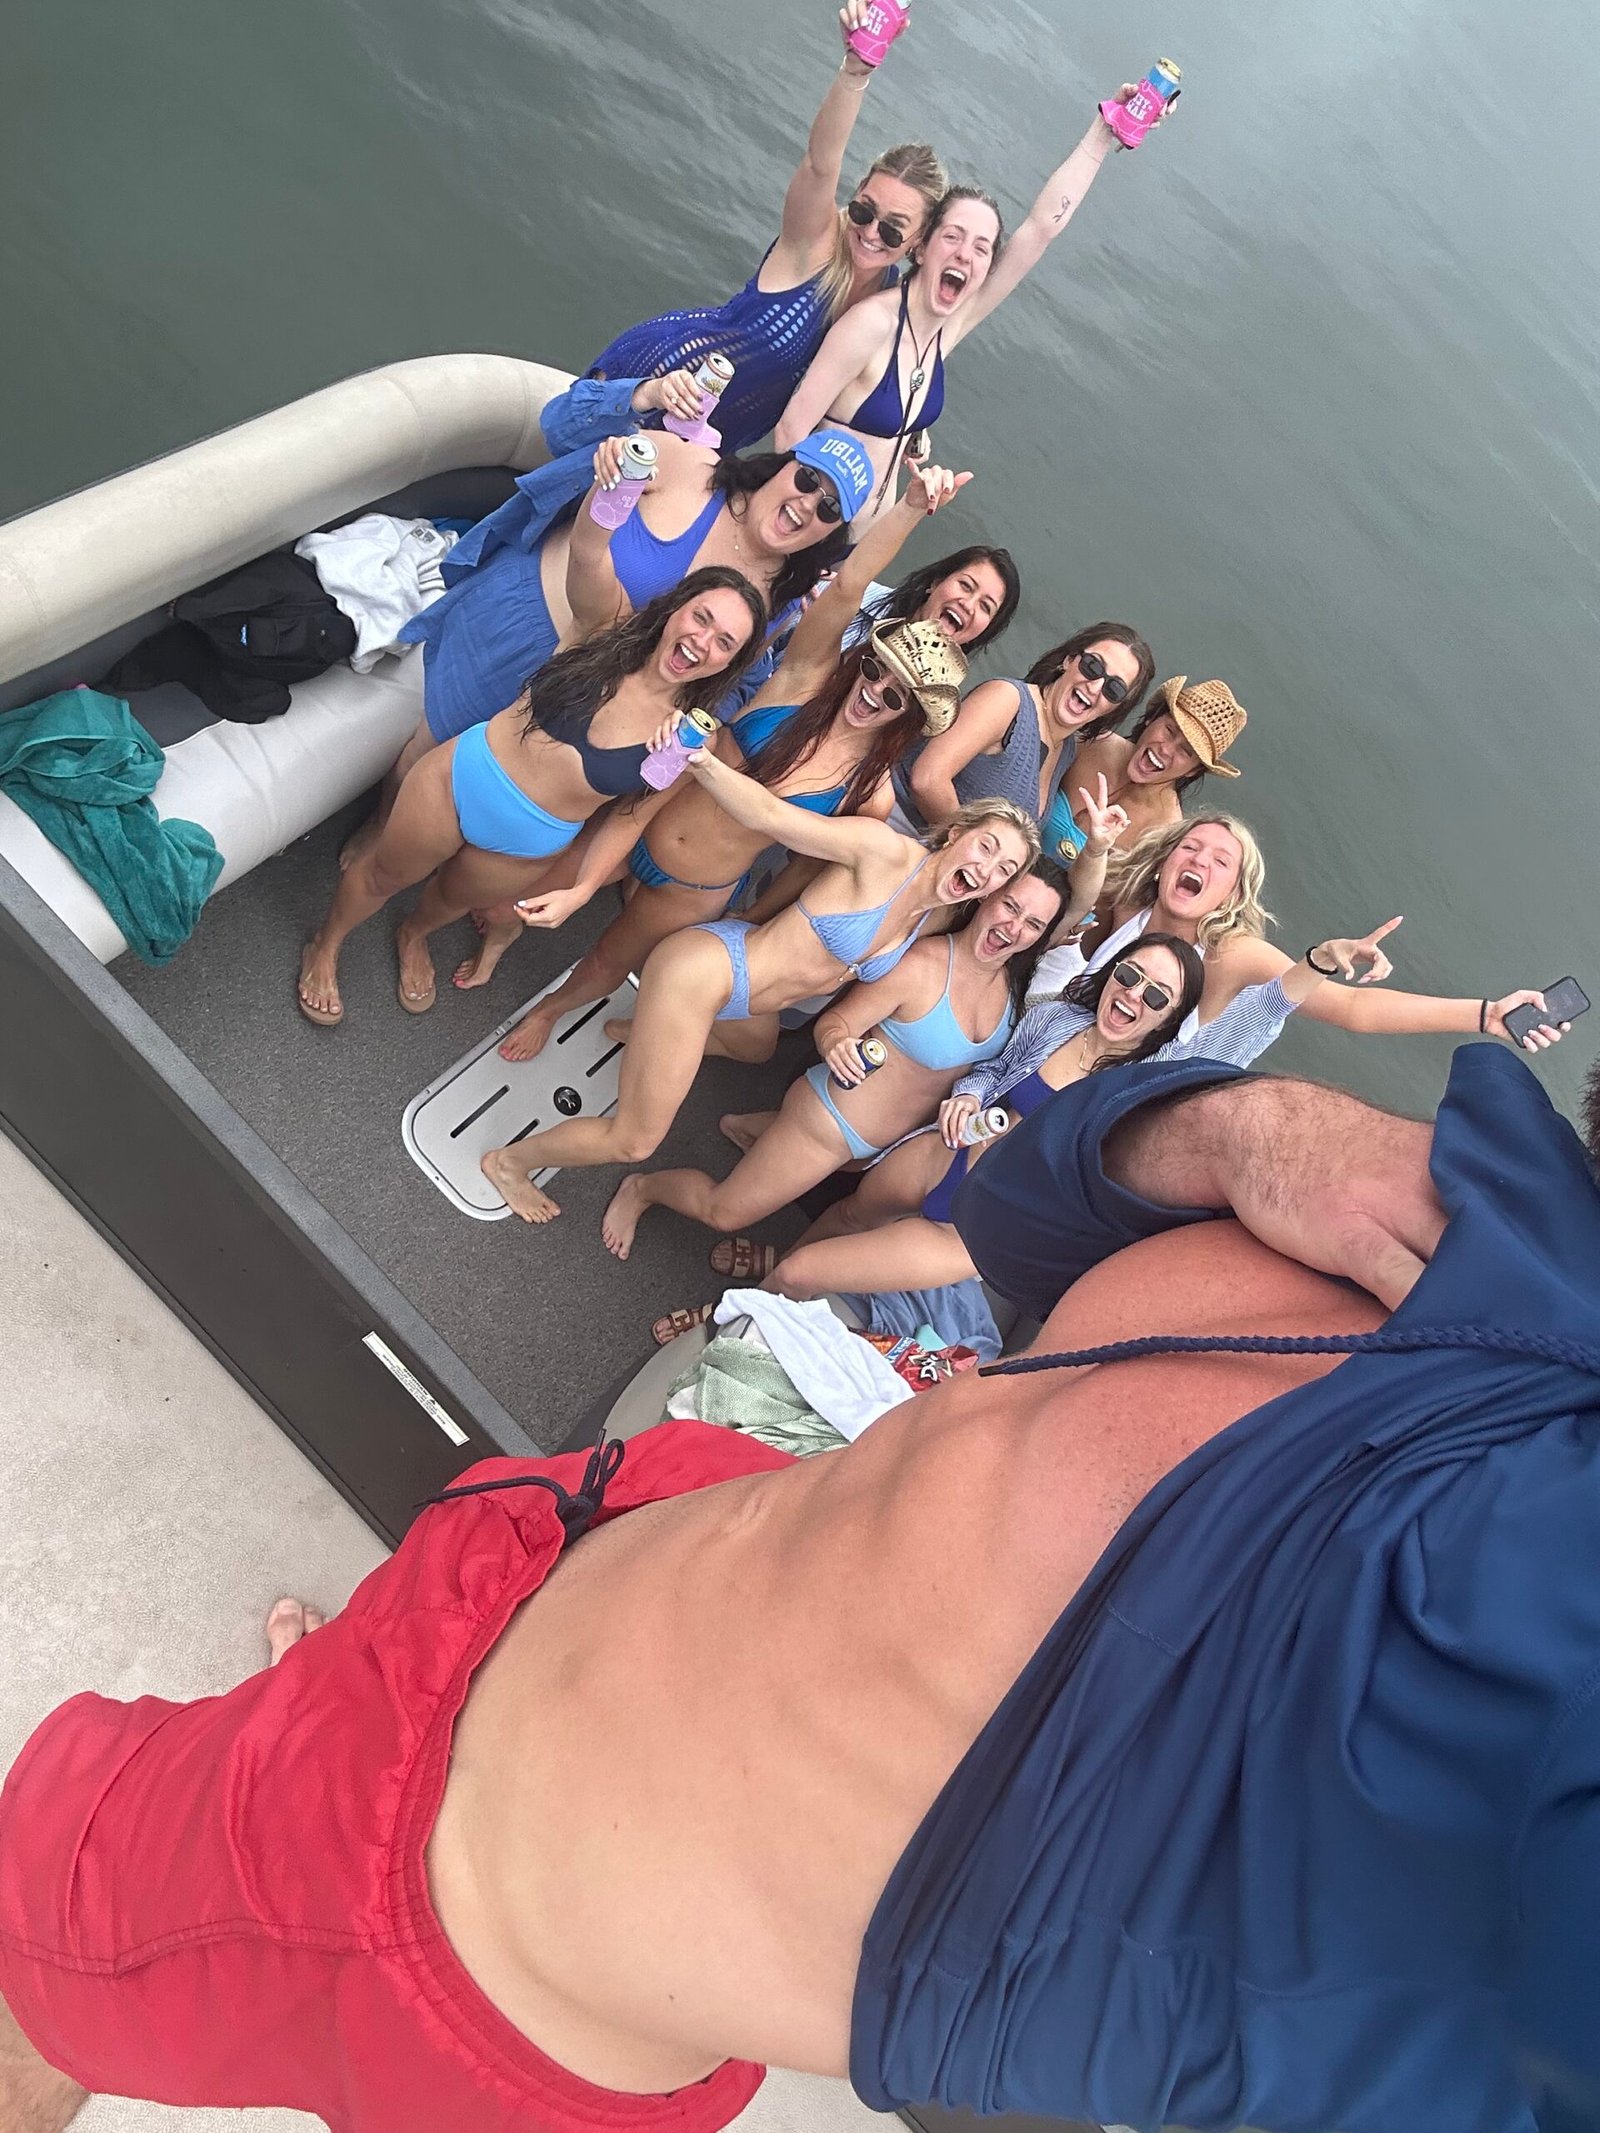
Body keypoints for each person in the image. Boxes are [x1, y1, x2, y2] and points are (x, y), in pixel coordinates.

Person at [11, 1048, 1600, 2133]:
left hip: (438, 1908)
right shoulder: (1501, 1220)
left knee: (32, 1954)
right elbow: (1023, 1217)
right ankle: (276, 1713)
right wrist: (1236, 1129)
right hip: (561, 1561)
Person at [452, 457, 973, 1014]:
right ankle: (503, 937)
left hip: (696, 888)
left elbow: (804, 867)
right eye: (875, 669)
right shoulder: (804, 681)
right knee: (522, 902)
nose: (874, 692)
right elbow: (848, 586)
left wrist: (751, 919)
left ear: (908, 721)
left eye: (896, 697)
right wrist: (913, 508)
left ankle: (547, 1014)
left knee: (608, 962)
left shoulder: (871, 795)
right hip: (646, 815)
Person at [477, 774, 1040, 1223]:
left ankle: (647, 1032)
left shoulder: (937, 913)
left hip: (754, 1003)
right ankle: (509, 1162)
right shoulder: (883, 852)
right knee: (634, 1142)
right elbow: (771, 816)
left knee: (755, 1051)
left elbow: (1056, 927)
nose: (987, 869)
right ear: (956, 833)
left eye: (1003, 870)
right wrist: (700, 762)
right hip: (710, 972)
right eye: (985, 846)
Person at [763, 918, 1398, 1303]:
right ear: (1112, 973)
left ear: (1170, 1020)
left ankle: (755, 1302)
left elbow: (1250, 1023)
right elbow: (991, 1070)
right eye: (1129, 976)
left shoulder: (1144, 1084)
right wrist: (969, 1096)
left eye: (1157, 996)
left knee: (802, 1271)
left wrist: (1313, 965)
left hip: (974, 1229)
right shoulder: (1057, 1019)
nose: (1134, 996)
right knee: (847, 1214)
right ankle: (749, 1291)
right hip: (943, 1154)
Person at [295, 570, 765, 1026]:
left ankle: (412, 934)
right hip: (460, 782)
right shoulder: (604, 625)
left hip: (528, 844)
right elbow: (588, 554)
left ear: (730, 663)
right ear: (676, 609)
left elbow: (629, 819)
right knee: (382, 876)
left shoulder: (688, 741)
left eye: (725, 642)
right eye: (701, 617)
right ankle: (326, 943)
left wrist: (580, 892)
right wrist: (609, 496)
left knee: (448, 901)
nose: (702, 641)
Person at [599, 869, 1066, 1316]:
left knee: (786, 1167)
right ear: (986, 897)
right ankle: (642, 1189)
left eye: (1033, 923)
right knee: (724, 1212)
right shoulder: (922, 966)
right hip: (828, 1122)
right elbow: (837, 1023)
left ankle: (744, 1128)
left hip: (875, 1146)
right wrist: (839, 1044)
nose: (1015, 927)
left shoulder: (1014, 989)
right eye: (1010, 906)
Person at [774, 85, 1165, 514]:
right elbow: (791, 429)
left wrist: (1102, 133)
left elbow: (1039, 229)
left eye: (981, 247)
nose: (965, 253)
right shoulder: (872, 325)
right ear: (921, 248)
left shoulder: (947, 327)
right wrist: (800, 532)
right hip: (814, 534)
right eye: (953, 237)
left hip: (855, 547)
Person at [583, 6, 944, 453]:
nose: (870, 232)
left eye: (893, 230)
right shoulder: (816, 240)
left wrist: (911, 428)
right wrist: (856, 69)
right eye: (863, 211)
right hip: (662, 373)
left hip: (714, 435)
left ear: (917, 244)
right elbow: (819, 163)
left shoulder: (890, 301)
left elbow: (890, 368)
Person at [1035, 812, 1572, 1054]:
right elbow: (1074, 900)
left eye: (1221, 862)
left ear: (1233, 894)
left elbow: (1353, 1011)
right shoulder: (1129, 903)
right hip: (1059, 1055)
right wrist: (1096, 846)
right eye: (1191, 848)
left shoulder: (1234, 955)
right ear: (1165, 861)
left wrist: (1484, 1013)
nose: (1200, 861)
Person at [889, 621, 1155, 838]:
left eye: (1114, 689)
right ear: (1069, 660)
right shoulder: (1008, 699)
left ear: (1115, 708)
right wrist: (974, 852)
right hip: (895, 832)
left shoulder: (1066, 751)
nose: (1095, 686)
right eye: (1093, 666)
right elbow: (927, 780)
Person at [1067, 671, 1248, 850]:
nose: (1167, 749)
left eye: (1185, 751)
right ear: (1152, 718)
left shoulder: (1164, 837)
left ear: (1193, 770)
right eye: (1169, 730)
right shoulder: (1092, 744)